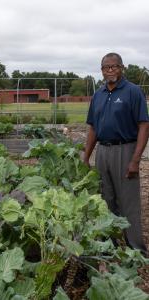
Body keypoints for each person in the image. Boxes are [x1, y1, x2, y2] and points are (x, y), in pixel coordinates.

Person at [84, 52, 149, 253]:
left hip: (125, 150)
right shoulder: (99, 94)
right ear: (101, 71)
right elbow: (93, 127)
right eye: (106, 67)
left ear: (122, 68)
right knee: (106, 200)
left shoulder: (132, 92)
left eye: (114, 66)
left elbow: (144, 125)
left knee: (128, 201)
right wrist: (86, 156)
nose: (110, 70)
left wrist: (135, 160)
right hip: (103, 151)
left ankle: (135, 248)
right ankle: (108, 246)